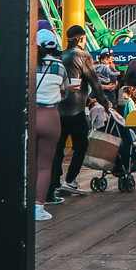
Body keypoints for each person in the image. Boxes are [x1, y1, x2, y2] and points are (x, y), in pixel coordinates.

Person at [53, 25, 100, 197]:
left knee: (58, 148)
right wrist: (104, 102)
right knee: (81, 145)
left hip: (58, 109)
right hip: (76, 110)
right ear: (81, 38)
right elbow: (94, 82)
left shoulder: (60, 55)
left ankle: (54, 182)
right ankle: (70, 180)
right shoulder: (83, 55)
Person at [34, 31, 66, 221]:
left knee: (25, 164)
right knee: (44, 166)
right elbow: (64, 92)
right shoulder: (60, 66)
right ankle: (38, 207)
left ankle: (22, 202)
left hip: (28, 115)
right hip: (50, 116)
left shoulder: (27, 63)